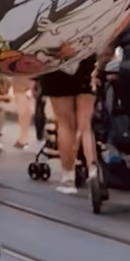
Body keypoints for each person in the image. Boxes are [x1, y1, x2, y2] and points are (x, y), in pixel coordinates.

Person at [37, 57, 96, 193]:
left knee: (65, 124)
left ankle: (68, 178)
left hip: (56, 67)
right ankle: (94, 172)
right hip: (84, 62)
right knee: (86, 125)